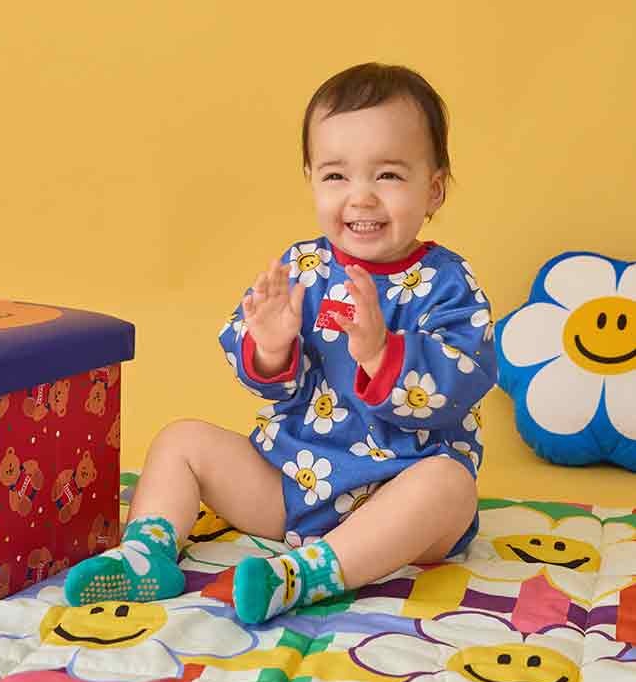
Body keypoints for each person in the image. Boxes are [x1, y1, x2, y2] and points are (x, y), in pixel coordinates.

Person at [64, 62, 497, 624]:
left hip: (397, 507)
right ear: (311, 180)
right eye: (336, 176)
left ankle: (306, 576)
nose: (361, 198)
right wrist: (270, 348)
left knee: (450, 485)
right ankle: (148, 552)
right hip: (295, 483)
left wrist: (381, 354)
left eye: (388, 175)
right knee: (181, 439)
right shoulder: (302, 268)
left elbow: (466, 375)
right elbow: (261, 372)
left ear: (433, 190)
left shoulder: (448, 282)